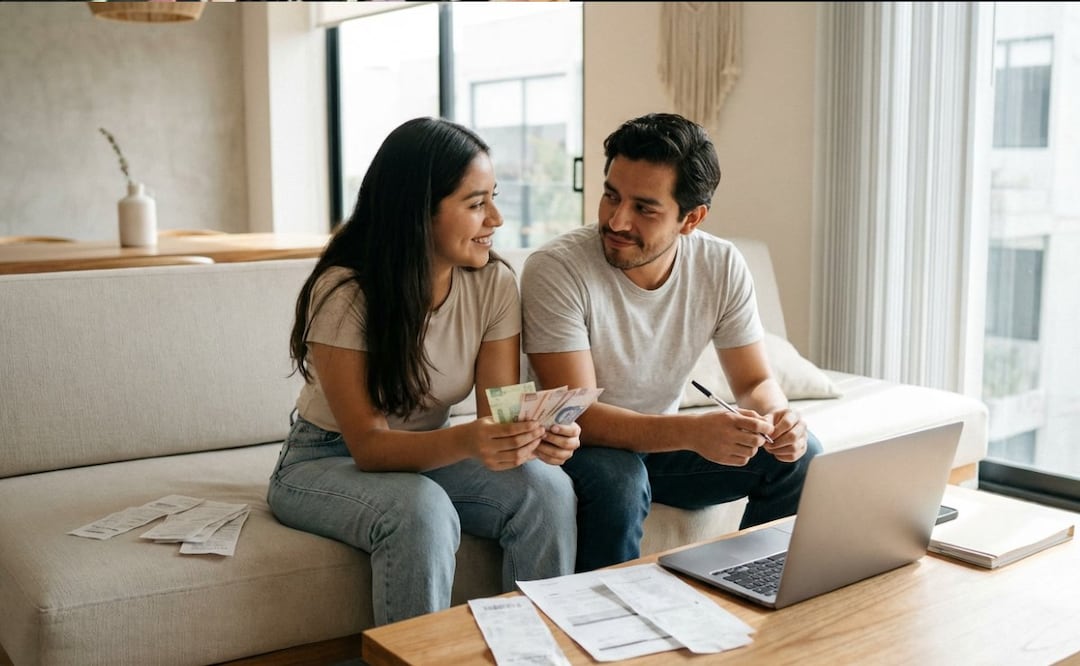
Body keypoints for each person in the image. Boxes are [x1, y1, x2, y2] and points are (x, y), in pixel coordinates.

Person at [268, 117, 579, 625]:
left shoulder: (494, 284)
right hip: (324, 459)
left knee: (546, 487)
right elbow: (370, 448)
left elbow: (497, 416)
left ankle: (534, 654)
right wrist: (471, 440)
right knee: (421, 509)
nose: (496, 218)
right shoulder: (346, 293)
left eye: (493, 198)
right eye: (476, 204)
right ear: (419, 212)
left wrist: (535, 438)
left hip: (426, 455)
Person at [520, 112, 822, 572]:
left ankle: (750, 591)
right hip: (575, 447)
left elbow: (755, 379)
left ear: (692, 218)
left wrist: (777, 418)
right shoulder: (558, 270)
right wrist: (691, 433)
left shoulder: (720, 266)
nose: (616, 220)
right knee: (619, 479)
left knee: (802, 458)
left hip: (658, 447)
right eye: (610, 196)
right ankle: (606, 625)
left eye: (644, 208)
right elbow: (574, 411)